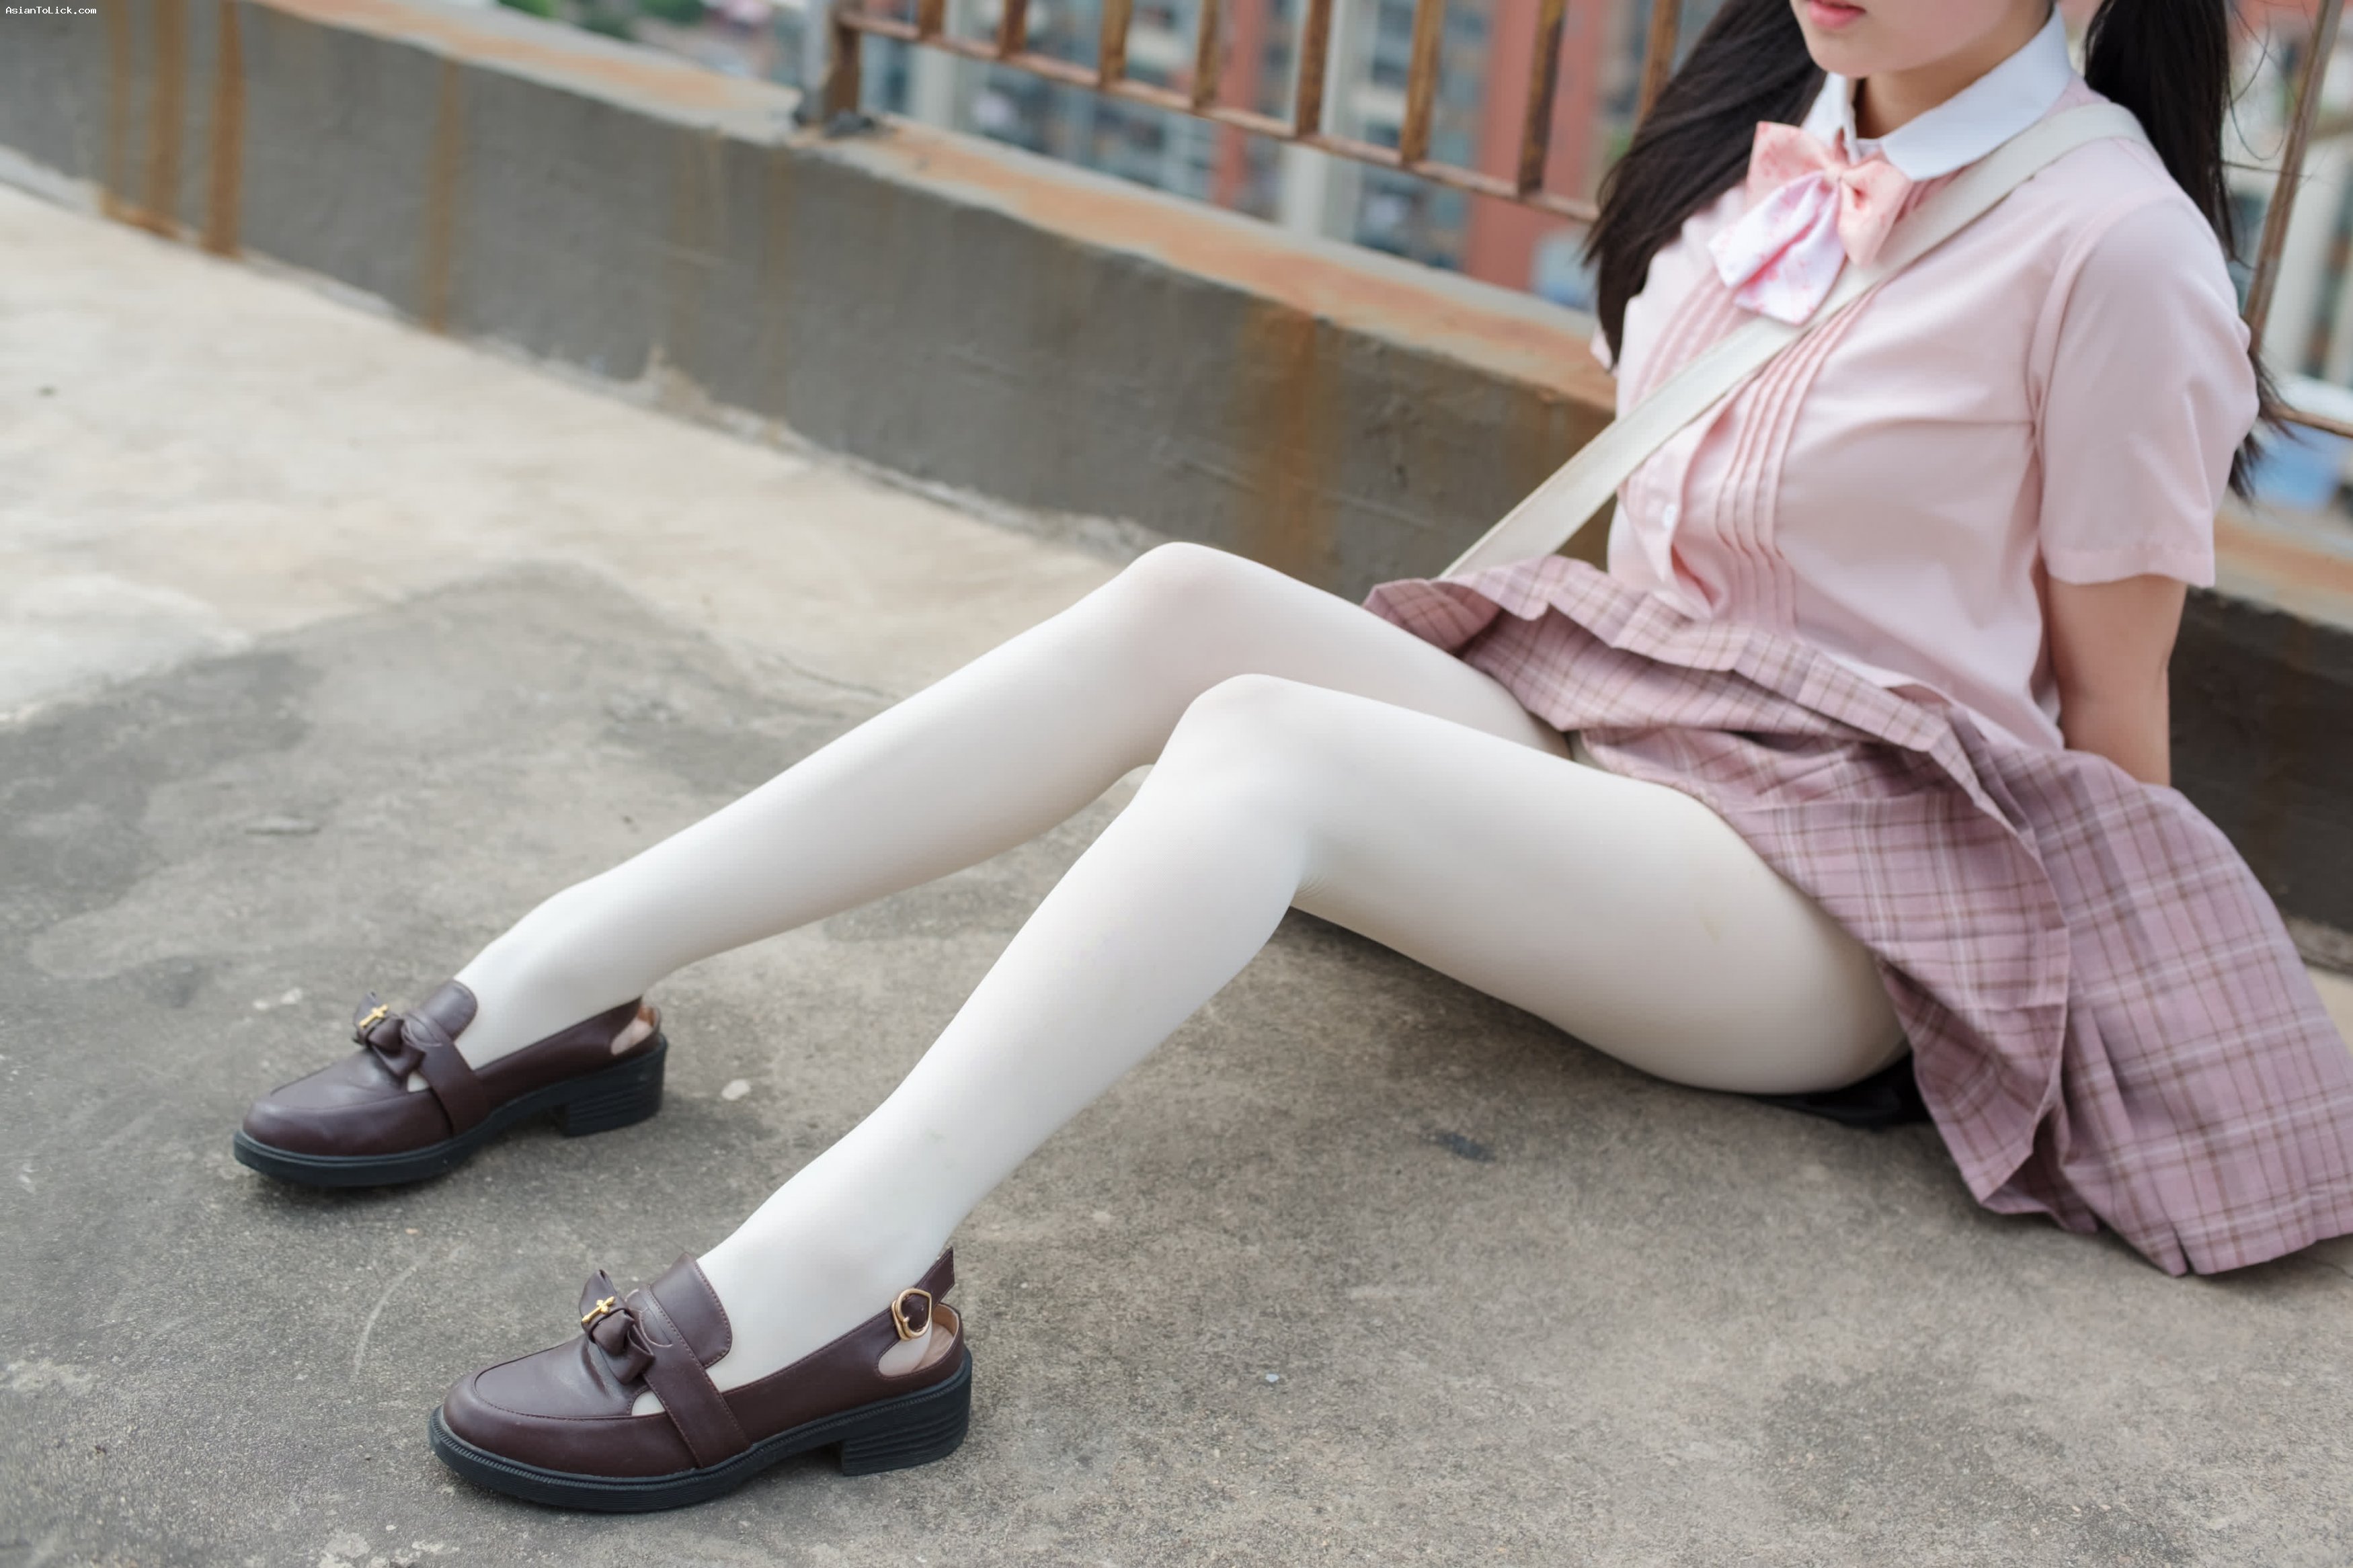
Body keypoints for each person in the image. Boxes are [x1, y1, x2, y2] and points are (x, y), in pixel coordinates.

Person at [233, 0, 2353, 1512]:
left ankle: (834, 1294)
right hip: (1625, 727)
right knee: (1181, 601)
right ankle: (557, 990)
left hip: (1837, 891)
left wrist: (2108, 1059)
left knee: (1263, 742)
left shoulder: (2119, 253)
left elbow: (2109, 723)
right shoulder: (1764, 121)